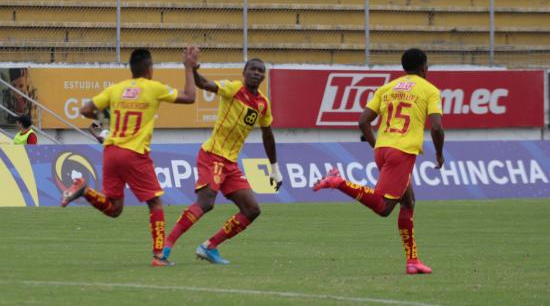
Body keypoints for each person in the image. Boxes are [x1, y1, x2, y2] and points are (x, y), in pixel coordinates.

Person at [60, 47, 200, 267]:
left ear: (131, 68)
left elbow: (85, 110)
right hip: (134, 153)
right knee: (155, 203)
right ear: (149, 68)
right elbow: (190, 97)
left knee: (114, 208)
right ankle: (159, 256)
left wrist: (106, 124)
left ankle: (84, 189)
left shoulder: (116, 89)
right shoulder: (153, 88)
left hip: (111, 152)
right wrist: (188, 67)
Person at [313, 48, 445, 275]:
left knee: (408, 201)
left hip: (382, 149)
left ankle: (412, 261)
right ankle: (338, 182)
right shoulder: (430, 90)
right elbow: (436, 127)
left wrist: (378, 147)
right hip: (402, 152)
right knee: (384, 208)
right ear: (424, 67)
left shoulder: (387, 88)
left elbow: (363, 122)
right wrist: (439, 154)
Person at [161, 58, 283, 264]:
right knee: (206, 202)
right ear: (244, 72)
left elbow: (268, 135)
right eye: (253, 69)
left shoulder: (263, 103)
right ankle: (165, 248)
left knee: (252, 210)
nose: (257, 73)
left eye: (261, 71)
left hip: (231, 164)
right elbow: (204, 84)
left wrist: (274, 168)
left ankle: (209, 247)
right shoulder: (233, 89)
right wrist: (193, 70)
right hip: (213, 155)